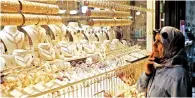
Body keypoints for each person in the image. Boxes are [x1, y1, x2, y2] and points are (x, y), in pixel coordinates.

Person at [137, 26, 192, 97]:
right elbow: (140, 89)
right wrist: (147, 73)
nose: (154, 45)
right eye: (155, 40)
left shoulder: (179, 76)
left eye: (159, 41)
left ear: (171, 45)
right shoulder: (158, 66)